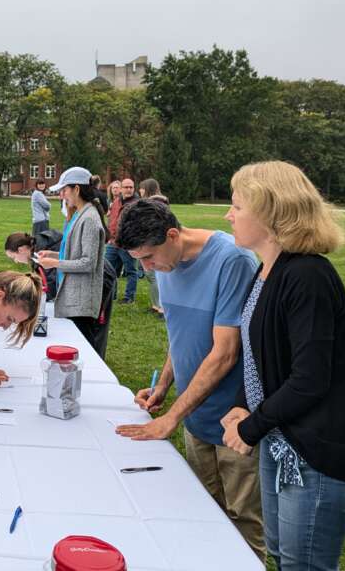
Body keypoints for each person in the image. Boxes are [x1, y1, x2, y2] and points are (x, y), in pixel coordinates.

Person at [220, 161, 345, 571]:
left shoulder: (307, 276)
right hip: (282, 440)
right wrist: (243, 404)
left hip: (315, 454)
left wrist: (250, 428)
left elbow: (309, 379)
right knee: (283, 555)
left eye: (237, 206)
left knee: (302, 564)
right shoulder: (269, 269)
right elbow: (261, 354)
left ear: (271, 214)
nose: (228, 215)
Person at [113, 198, 265, 561]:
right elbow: (179, 333)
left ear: (172, 234)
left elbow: (225, 352)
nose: (148, 268)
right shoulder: (165, 266)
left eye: (149, 258)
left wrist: (171, 417)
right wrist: (164, 386)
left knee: (242, 522)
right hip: (195, 417)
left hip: (235, 422)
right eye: (140, 262)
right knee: (199, 513)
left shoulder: (233, 261)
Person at [37, 167, 111, 357]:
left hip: (81, 302)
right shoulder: (80, 214)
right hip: (73, 297)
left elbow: (87, 262)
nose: (62, 195)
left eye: (65, 190)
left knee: (81, 353)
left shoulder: (90, 219)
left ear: (77, 189)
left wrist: (54, 264)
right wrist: (53, 255)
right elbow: (72, 254)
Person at [105, 177, 140, 305]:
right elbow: (112, 220)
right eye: (126, 187)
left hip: (127, 244)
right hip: (113, 243)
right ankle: (110, 295)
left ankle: (129, 297)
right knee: (108, 270)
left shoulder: (137, 204)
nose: (128, 190)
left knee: (131, 271)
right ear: (121, 189)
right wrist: (109, 237)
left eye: (131, 187)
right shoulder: (116, 201)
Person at [4, 229, 64, 301]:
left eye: (14, 257)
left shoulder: (42, 254)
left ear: (20, 250)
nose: (16, 261)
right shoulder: (38, 244)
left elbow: (51, 288)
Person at [138, 178, 169, 316]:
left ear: (148, 189)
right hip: (150, 241)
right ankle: (156, 304)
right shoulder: (152, 203)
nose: (140, 190)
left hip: (155, 243)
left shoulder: (156, 203)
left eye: (142, 188)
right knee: (152, 276)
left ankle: (161, 307)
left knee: (157, 276)